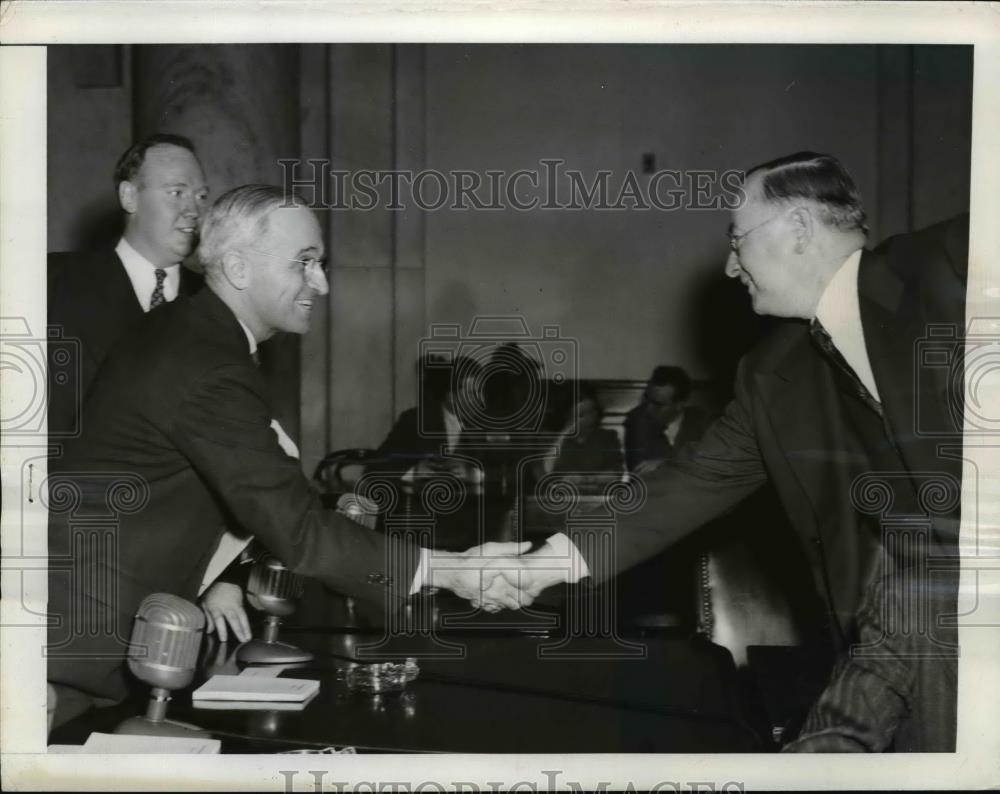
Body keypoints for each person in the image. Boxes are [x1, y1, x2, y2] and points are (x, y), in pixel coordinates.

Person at [503, 152, 966, 750]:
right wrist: (538, 565)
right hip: (903, 661)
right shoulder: (773, 373)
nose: (728, 266)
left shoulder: (951, 265)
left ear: (798, 229)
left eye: (737, 239)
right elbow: (686, 485)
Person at [46, 185, 535, 728]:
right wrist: (454, 571)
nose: (320, 284)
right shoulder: (206, 364)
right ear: (237, 267)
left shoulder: (194, 337)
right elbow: (297, 531)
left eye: (321, 265)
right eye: (304, 264)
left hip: (88, 635)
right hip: (70, 648)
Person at [47, 133, 209, 436]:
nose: (194, 211)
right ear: (129, 197)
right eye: (177, 193)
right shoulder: (53, 280)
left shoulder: (214, 299)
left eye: (201, 197)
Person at [623, 365, 708, 473]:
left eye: (658, 405)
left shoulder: (702, 421)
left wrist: (666, 462)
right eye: (647, 399)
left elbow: (711, 462)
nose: (649, 409)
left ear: (680, 404)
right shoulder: (636, 420)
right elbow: (641, 471)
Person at [547, 381, 624, 489]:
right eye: (581, 415)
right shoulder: (553, 439)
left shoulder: (608, 437)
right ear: (568, 415)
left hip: (599, 499)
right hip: (561, 498)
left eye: (592, 411)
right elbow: (545, 472)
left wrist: (592, 479)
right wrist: (563, 434)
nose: (590, 418)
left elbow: (617, 473)